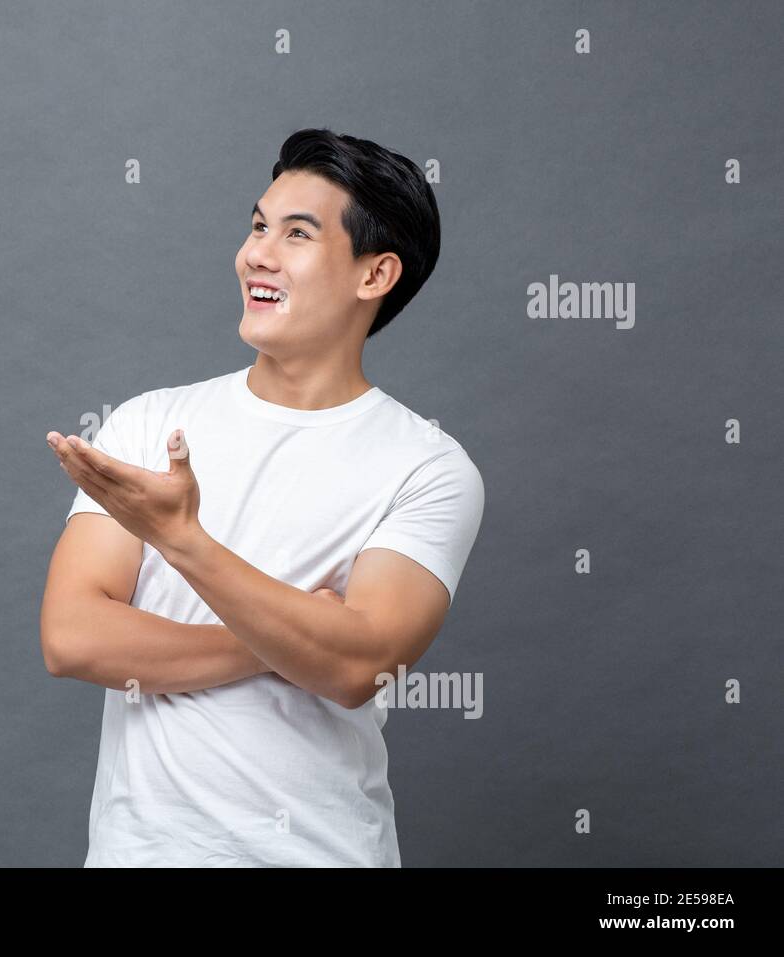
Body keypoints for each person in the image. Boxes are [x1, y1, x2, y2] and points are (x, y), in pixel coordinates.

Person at [40, 128, 484, 867]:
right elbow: (74, 637)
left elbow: (354, 668)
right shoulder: (149, 422)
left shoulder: (428, 467)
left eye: (297, 233)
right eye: (257, 226)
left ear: (374, 276)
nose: (257, 254)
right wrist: (287, 639)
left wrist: (184, 539)